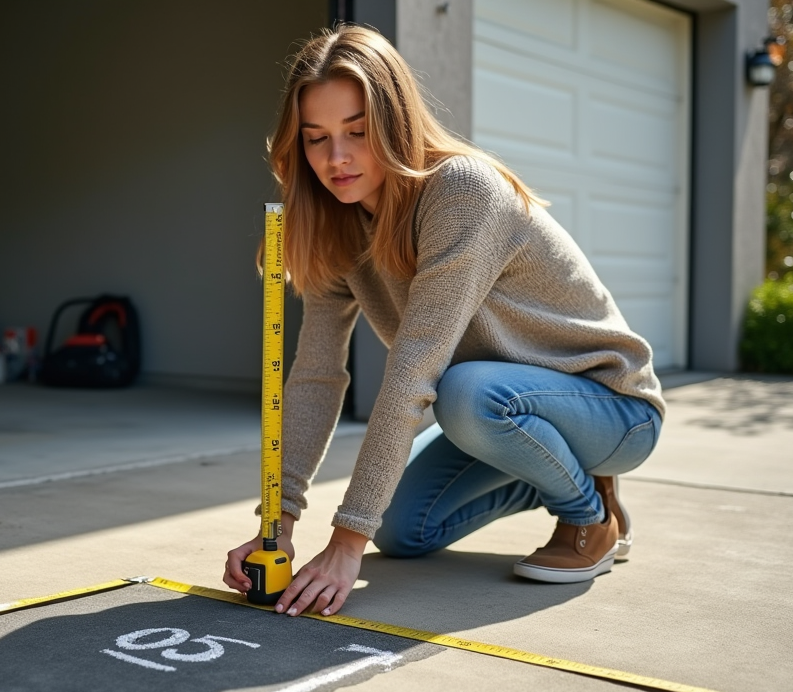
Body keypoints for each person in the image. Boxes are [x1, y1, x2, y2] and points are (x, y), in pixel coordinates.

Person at [223, 25, 665, 618]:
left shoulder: (463, 191)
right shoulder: (336, 223)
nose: (337, 157)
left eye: (357, 131)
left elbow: (415, 368)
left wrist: (345, 540)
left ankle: (591, 518)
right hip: (500, 409)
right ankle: (566, 473)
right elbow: (316, 376)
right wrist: (278, 523)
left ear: (395, 122)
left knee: (460, 393)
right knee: (402, 530)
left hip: (611, 407)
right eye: (316, 138)